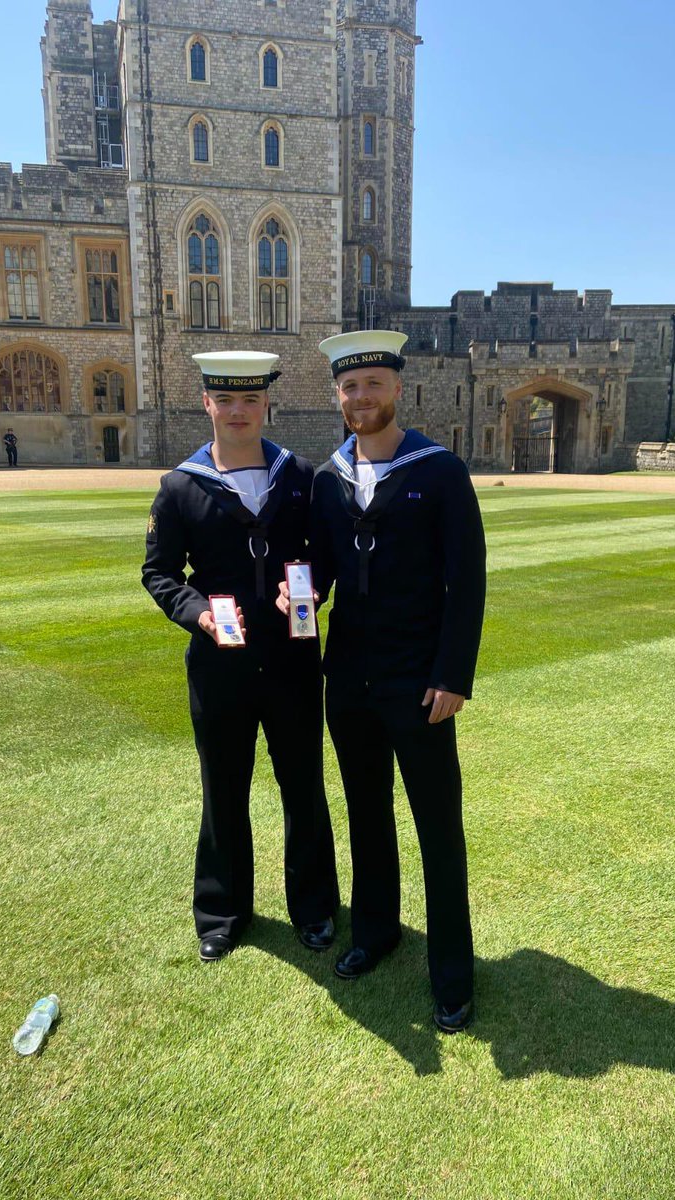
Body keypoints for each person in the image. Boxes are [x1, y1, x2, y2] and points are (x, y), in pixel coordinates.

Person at [280, 330, 486, 1033]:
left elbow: (467, 582)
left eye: (372, 385)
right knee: (366, 814)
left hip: (421, 684)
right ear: (337, 397)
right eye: (349, 388)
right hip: (351, 681)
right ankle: (375, 930)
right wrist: (294, 595)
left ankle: (453, 972)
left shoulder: (441, 471)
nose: (360, 398)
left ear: (397, 389)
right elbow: (322, 569)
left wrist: (454, 674)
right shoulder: (329, 478)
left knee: (438, 827)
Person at [142, 351, 339, 963]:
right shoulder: (180, 486)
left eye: (249, 400)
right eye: (225, 400)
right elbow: (159, 573)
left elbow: (322, 554)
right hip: (219, 666)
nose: (237, 411)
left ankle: (314, 907)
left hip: (292, 662)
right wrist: (197, 611)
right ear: (207, 404)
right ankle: (223, 913)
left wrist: (305, 587)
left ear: (266, 405)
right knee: (222, 789)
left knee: (302, 786)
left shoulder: (300, 476)